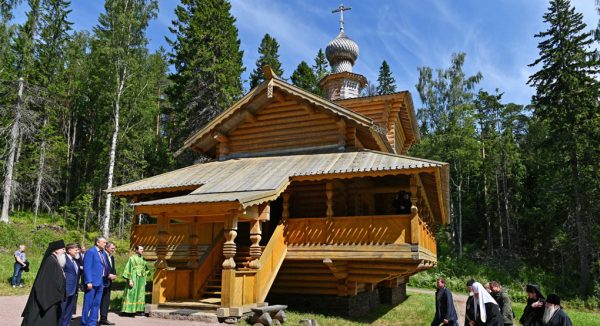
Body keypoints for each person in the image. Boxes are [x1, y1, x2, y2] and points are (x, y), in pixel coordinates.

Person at [21, 239, 67, 326]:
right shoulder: (50, 261)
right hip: (47, 299)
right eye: (63, 249)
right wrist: (54, 296)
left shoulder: (54, 260)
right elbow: (45, 282)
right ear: (56, 250)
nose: (64, 251)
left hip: (53, 298)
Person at [81, 236, 110, 326]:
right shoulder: (90, 252)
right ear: (97, 243)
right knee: (88, 304)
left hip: (101, 282)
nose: (106, 244)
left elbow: (105, 266)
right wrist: (88, 281)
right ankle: (84, 323)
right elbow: (87, 268)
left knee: (96, 303)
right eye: (104, 242)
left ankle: (92, 322)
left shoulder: (103, 253)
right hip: (92, 282)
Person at [121, 245, 149, 315]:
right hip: (133, 277)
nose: (142, 250)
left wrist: (145, 280)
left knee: (140, 294)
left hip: (141, 278)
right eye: (141, 249)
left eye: (143, 249)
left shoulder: (143, 259)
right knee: (132, 292)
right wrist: (130, 280)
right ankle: (128, 310)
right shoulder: (132, 258)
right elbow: (128, 269)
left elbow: (145, 270)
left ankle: (138, 310)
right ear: (136, 250)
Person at [59, 243, 81, 326]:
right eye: (76, 250)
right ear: (69, 250)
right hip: (65, 290)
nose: (77, 251)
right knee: (62, 310)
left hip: (74, 289)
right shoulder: (63, 259)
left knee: (69, 311)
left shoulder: (75, 261)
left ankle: (67, 324)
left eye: (78, 250)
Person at [99, 242, 117, 325]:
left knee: (106, 301)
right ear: (107, 248)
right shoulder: (102, 255)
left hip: (109, 282)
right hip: (101, 281)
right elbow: (100, 268)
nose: (114, 250)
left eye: (114, 248)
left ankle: (103, 319)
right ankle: (93, 319)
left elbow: (112, 268)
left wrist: (114, 275)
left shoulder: (112, 257)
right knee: (98, 301)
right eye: (112, 248)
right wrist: (108, 275)